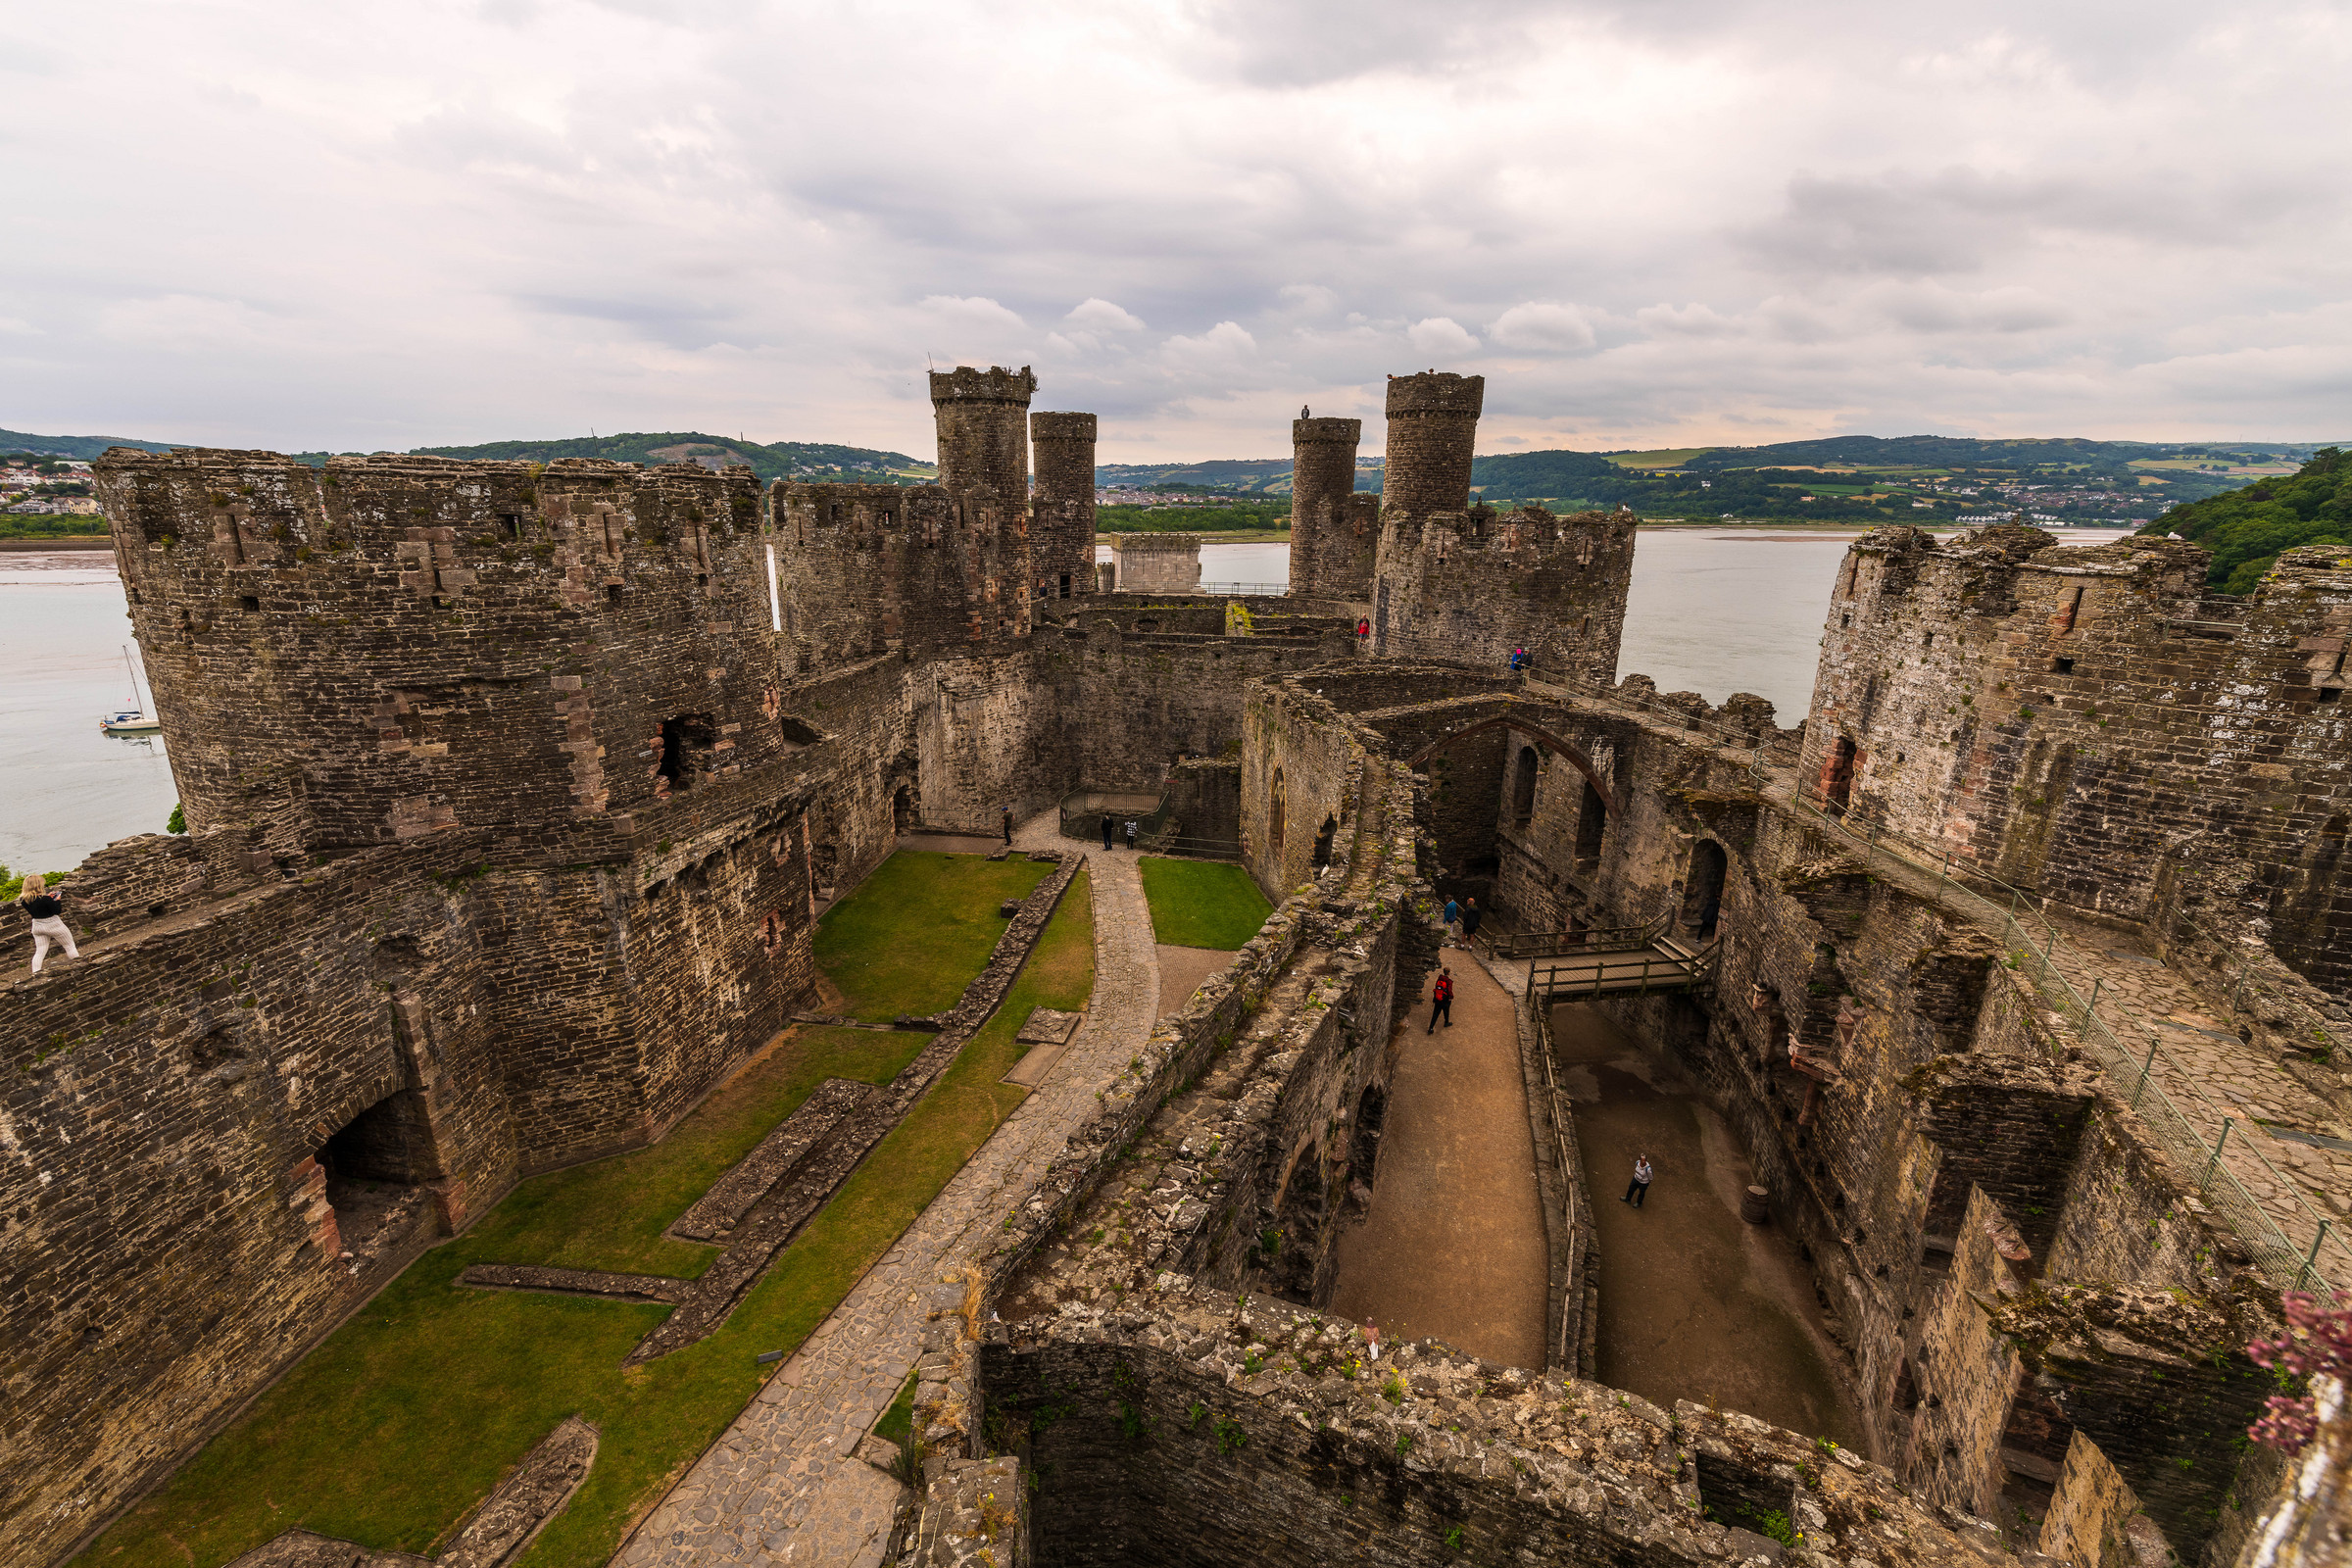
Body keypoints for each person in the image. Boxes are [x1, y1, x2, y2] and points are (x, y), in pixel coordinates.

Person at [21, 877, 77, 973]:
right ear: (38, 885)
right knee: (69, 946)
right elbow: (57, 911)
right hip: (53, 925)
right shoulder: (46, 899)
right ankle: (79, 965)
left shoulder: (23, 900)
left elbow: (37, 903)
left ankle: (36, 974)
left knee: (39, 952)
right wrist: (57, 900)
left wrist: (48, 898)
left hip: (37, 926)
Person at [1428, 967, 1453, 1032]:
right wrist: (1451, 997)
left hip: (1438, 999)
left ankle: (1431, 1028)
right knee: (1446, 1011)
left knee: (1435, 1014)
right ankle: (1446, 1022)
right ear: (1449, 973)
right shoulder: (1449, 981)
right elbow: (1449, 990)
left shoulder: (1439, 979)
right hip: (1445, 1000)